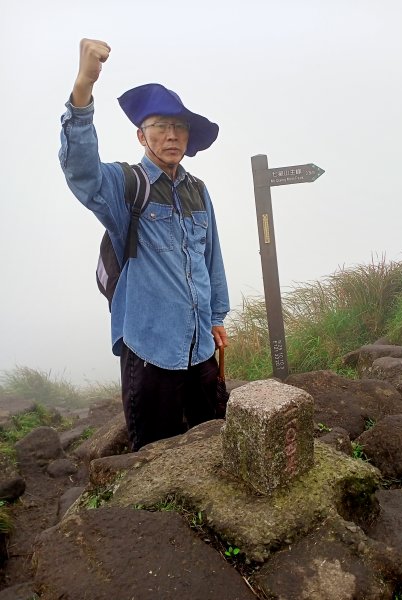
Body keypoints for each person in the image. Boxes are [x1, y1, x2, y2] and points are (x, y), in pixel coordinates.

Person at [59, 39, 230, 451]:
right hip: (150, 351)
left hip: (201, 348)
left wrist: (216, 316)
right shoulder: (126, 185)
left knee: (213, 446)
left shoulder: (198, 190)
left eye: (179, 127)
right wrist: (83, 87)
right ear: (141, 135)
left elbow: (211, 260)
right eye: (160, 127)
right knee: (153, 457)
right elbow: (82, 172)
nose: (172, 136)